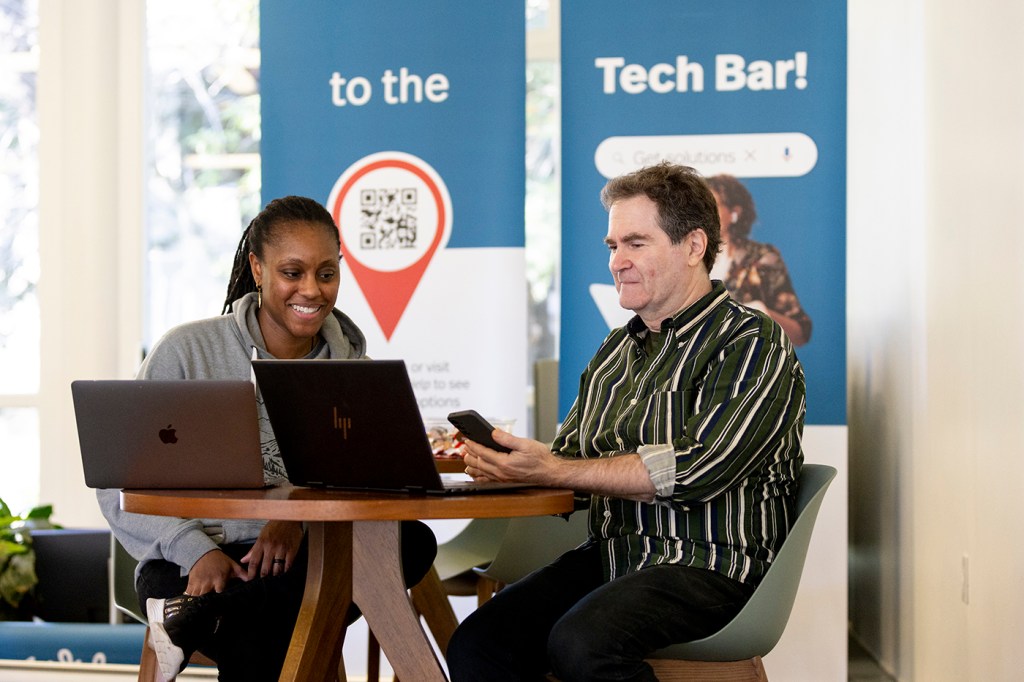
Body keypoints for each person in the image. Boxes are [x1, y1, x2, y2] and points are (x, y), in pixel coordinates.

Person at [445, 163, 806, 682]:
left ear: (694, 244)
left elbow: (696, 471)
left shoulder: (751, 342)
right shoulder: (615, 353)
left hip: (711, 565)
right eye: (613, 246)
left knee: (581, 645)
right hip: (615, 558)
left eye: (635, 243)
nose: (618, 262)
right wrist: (514, 465)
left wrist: (553, 470)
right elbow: (573, 467)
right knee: (479, 644)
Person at [97, 196, 437, 681]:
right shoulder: (188, 352)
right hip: (191, 560)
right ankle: (201, 609)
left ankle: (192, 619)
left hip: (303, 560)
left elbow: (374, 487)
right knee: (268, 633)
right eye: (292, 272)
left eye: (326, 273)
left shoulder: (355, 373)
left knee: (413, 542)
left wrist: (295, 520)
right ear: (257, 268)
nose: (312, 290)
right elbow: (116, 482)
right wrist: (198, 549)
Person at [705, 173, 812, 346]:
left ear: (734, 213)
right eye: (700, 206)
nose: (705, 212)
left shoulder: (762, 258)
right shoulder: (687, 256)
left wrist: (759, 311)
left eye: (713, 205)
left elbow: (800, 333)